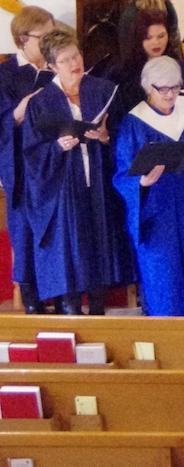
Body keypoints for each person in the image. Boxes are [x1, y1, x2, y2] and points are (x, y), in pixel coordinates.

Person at [22, 28, 134, 313]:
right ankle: (71, 310)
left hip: (99, 183)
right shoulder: (40, 102)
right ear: (51, 66)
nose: (75, 62)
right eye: (66, 59)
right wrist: (58, 147)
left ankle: (97, 313)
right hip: (64, 191)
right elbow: (31, 155)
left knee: (98, 257)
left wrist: (106, 138)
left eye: (77, 54)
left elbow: (125, 135)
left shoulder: (103, 90)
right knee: (71, 258)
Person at [111, 57, 184, 316]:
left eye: (175, 87)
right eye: (161, 88)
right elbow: (122, 173)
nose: (169, 94)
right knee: (165, 273)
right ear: (147, 87)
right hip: (158, 209)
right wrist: (140, 182)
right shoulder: (134, 122)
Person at [0, 6, 56, 312]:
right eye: (43, 37)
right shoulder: (5, 74)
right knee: (25, 233)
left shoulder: (54, 69)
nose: (49, 43)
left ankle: (61, 295)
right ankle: (32, 299)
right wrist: (23, 107)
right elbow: (5, 121)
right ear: (23, 39)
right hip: (22, 167)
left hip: (53, 164)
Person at [112, 10, 184, 128]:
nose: (156, 42)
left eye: (161, 36)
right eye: (148, 37)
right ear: (138, 39)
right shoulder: (123, 74)